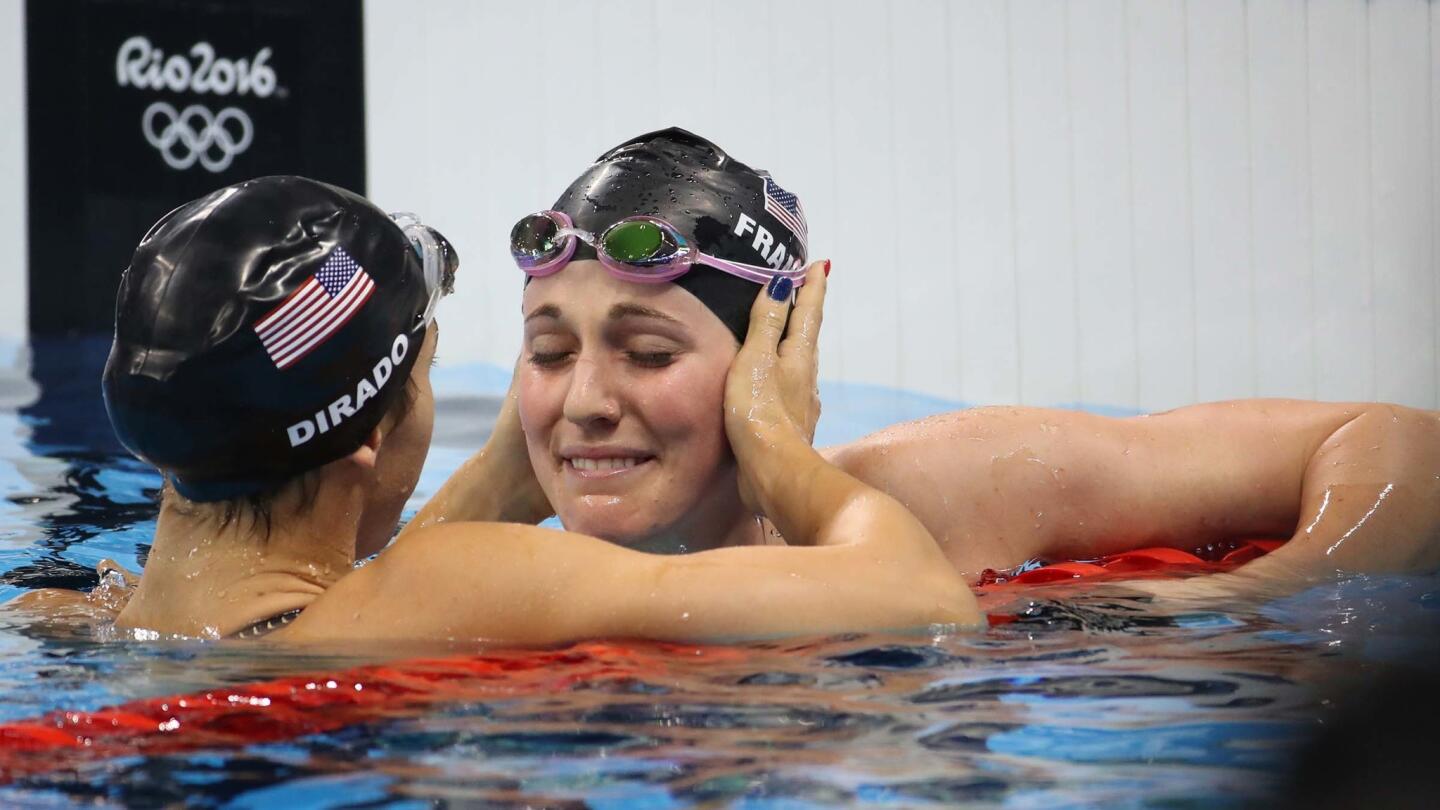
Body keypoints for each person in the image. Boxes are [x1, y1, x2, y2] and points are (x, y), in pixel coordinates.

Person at [417, 128, 1440, 595]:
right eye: (548, 352)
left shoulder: (944, 493)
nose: (586, 401)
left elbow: (1395, 443)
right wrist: (500, 478)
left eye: (645, 351)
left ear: (772, 356)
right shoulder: (490, 581)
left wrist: (1260, 598)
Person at [7, 175, 980, 642]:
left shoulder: (66, 617)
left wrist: (507, 473)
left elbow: (357, 599)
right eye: (421, 379)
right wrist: (770, 439)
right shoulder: (452, 587)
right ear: (373, 438)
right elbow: (927, 603)